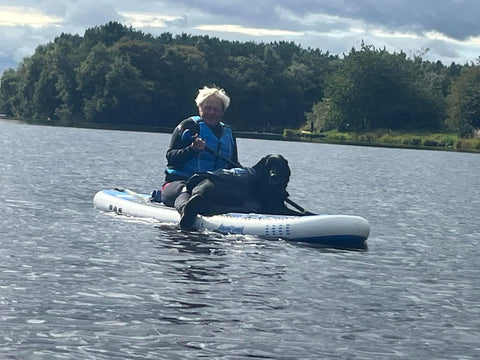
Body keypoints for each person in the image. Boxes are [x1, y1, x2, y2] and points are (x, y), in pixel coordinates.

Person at [160, 85, 240, 229]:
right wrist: (192, 150)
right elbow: (171, 157)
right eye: (207, 108)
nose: (211, 112)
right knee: (185, 190)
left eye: (216, 109)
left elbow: (232, 165)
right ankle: (187, 208)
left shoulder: (228, 133)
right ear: (200, 108)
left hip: (211, 186)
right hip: (179, 182)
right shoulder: (188, 126)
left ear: (222, 112)